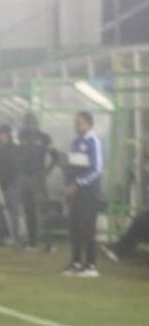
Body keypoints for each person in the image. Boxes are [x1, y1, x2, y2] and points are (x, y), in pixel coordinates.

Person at [61, 110, 105, 277]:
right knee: (75, 227)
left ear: (89, 123)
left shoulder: (94, 142)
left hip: (89, 192)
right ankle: (76, 262)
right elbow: (73, 167)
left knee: (88, 228)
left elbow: (97, 169)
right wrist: (69, 185)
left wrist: (78, 183)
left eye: (79, 123)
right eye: (75, 123)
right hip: (76, 191)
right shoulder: (75, 142)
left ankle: (91, 265)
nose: (76, 126)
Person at [15, 112, 58, 251]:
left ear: (36, 123)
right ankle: (32, 242)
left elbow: (55, 157)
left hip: (37, 178)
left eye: (31, 122)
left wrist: (46, 172)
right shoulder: (21, 136)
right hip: (24, 178)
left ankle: (49, 243)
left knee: (43, 211)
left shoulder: (45, 138)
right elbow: (16, 153)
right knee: (28, 210)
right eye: (27, 122)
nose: (29, 125)